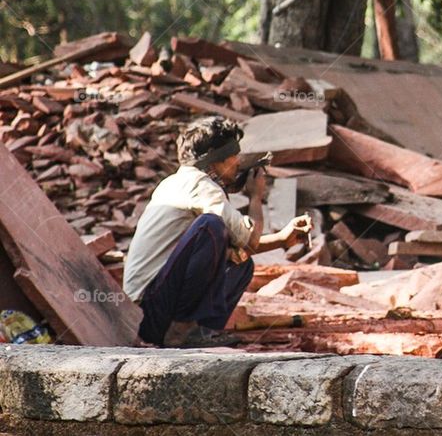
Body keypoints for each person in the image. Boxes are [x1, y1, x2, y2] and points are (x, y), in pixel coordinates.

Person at [123, 116, 313, 347]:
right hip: (150, 312)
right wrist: (256, 197)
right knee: (210, 226)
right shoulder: (200, 186)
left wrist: (282, 239)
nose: (238, 162)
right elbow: (248, 240)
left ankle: (201, 333)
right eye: (234, 156)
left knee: (241, 263)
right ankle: (181, 331)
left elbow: (241, 246)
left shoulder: (176, 182)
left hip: (152, 308)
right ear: (217, 160)